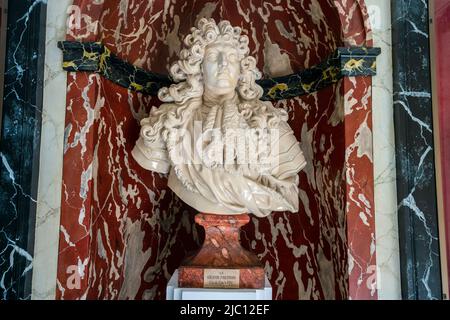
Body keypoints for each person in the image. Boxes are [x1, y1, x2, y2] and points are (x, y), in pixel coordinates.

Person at [132, 18, 306, 218]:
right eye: (214, 56)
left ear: (242, 69)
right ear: (198, 67)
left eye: (232, 57)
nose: (224, 64)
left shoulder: (269, 122)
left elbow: (288, 193)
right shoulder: (169, 123)